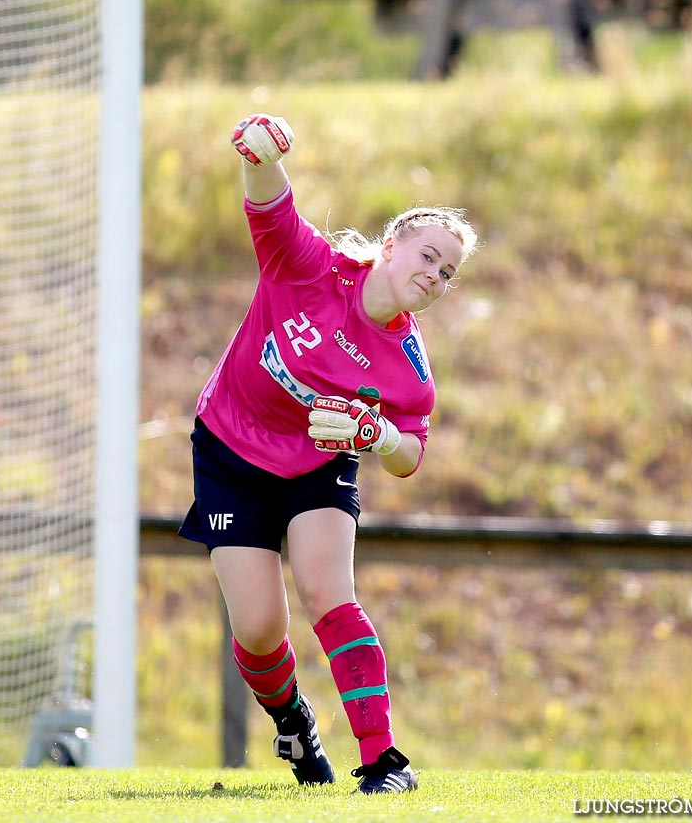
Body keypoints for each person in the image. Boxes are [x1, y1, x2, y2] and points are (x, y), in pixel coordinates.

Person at [179, 112, 479, 794]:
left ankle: (383, 762)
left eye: (448, 273)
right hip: (228, 448)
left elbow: (409, 455)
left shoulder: (408, 369)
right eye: (428, 256)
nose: (434, 276)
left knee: (326, 591)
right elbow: (268, 197)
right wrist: (260, 149)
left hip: (315, 465)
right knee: (257, 629)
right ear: (391, 246)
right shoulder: (308, 265)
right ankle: (293, 722)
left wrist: (379, 437)